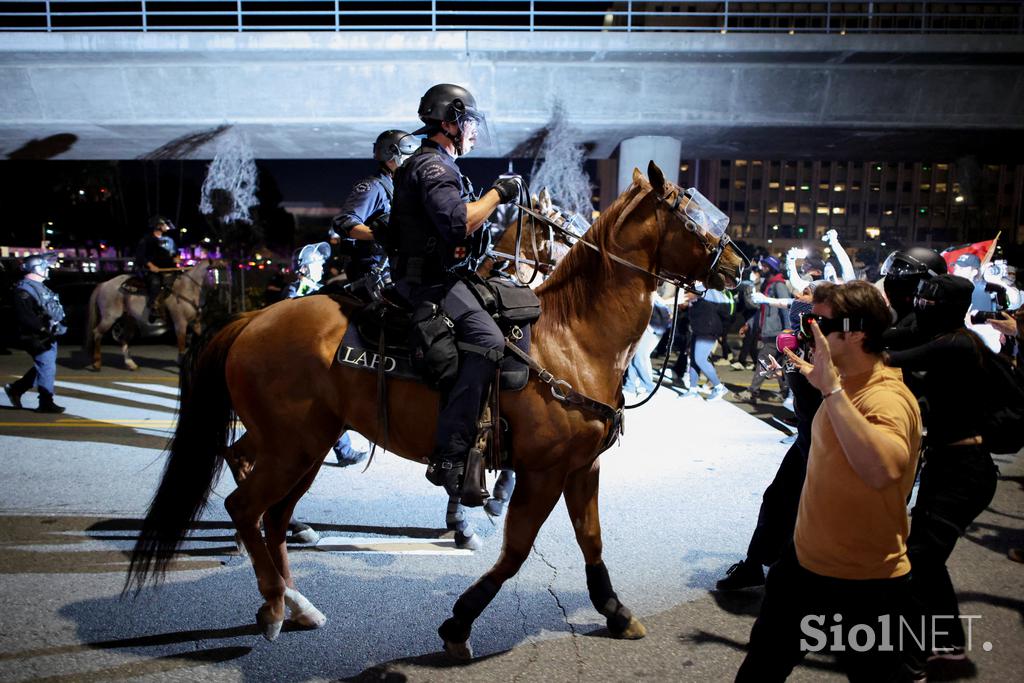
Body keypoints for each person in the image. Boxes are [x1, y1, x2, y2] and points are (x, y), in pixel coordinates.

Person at [737, 281, 922, 681]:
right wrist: (807, 370)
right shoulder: (844, 379)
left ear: (854, 332)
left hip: (865, 584)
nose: (807, 329)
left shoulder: (884, 396)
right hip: (803, 566)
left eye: (818, 322)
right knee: (760, 670)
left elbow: (882, 470)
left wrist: (832, 390)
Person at [389, 83, 522, 500]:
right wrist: (499, 193)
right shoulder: (432, 167)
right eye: (469, 124)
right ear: (450, 122)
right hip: (428, 282)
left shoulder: (440, 164)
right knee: (488, 340)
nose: (474, 133)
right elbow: (456, 223)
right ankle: (450, 456)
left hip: (447, 274)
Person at [884, 274, 999, 666]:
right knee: (927, 558)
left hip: (964, 472)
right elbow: (896, 339)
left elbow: (891, 357)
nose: (921, 309)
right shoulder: (946, 339)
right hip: (948, 464)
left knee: (919, 558)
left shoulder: (956, 344)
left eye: (929, 304)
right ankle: (947, 642)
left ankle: (915, 656)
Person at [330, 129, 419, 292]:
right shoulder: (373, 188)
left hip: (396, 270)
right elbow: (344, 222)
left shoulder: (400, 188)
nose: (413, 162)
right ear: (391, 158)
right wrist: (382, 234)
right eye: (408, 156)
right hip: (373, 274)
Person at [4, 255, 67, 413]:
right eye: (45, 267)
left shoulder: (39, 287)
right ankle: (45, 401)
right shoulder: (24, 290)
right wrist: (43, 330)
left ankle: (16, 389)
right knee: (47, 365)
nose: (47, 270)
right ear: (36, 268)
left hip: (45, 334)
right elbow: (25, 317)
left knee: (46, 364)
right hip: (34, 335)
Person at [736, 255, 790, 403]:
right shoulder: (769, 284)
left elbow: (785, 307)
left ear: (772, 268)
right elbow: (762, 309)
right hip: (771, 331)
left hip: (776, 332)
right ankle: (786, 393)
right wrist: (749, 324)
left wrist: (787, 331)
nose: (762, 268)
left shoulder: (779, 285)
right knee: (775, 364)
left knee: (763, 360)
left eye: (765, 266)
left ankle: (752, 392)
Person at [683, 286, 731, 400]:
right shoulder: (696, 292)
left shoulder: (707, 290)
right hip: (698, 329)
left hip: (708, 330)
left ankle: (719, 387)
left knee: (700, 359)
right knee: (694, 360)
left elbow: (722, 306)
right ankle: (692, 389)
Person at [134, 216, 177, 321]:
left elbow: (174, 253)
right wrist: (151, 265)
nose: (166, 227)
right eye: (164, 225)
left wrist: (176, 258)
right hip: (151, 271)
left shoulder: (168, 240)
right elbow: (140, 256)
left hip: (168, 269)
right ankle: (153, 308)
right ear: (158, 226)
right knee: (155, 283)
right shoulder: (146, 239)